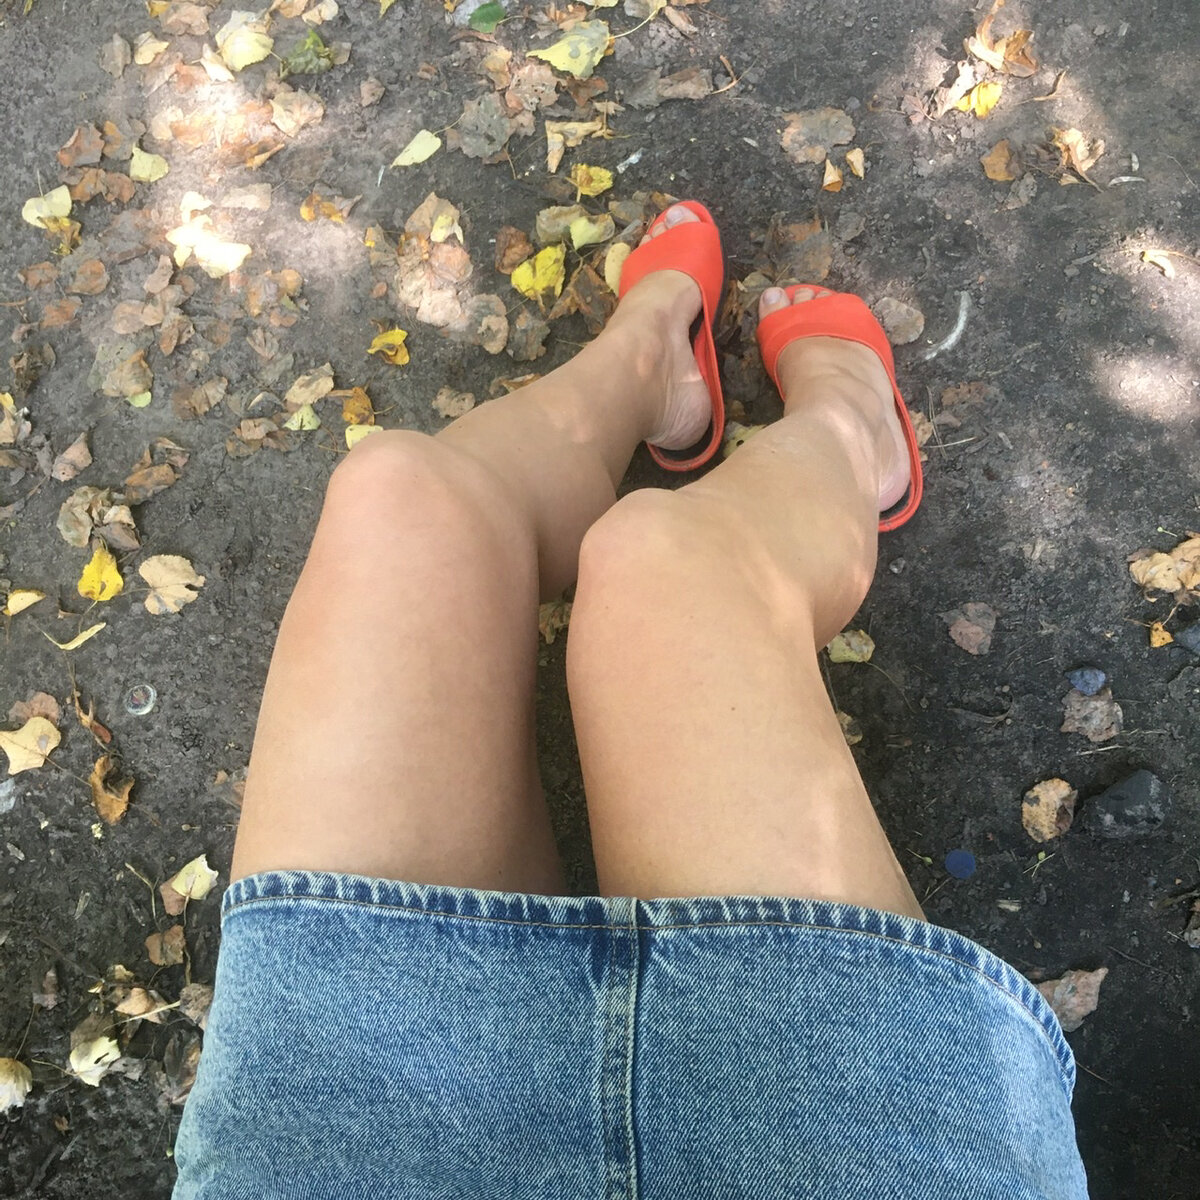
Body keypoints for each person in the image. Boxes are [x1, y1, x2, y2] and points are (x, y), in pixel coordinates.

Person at [172, 203, 1088, 1198]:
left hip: (343, 1130)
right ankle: (852, 435)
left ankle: (648, 360)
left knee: (399, 496)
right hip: (832, 1141)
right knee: (669, 565)